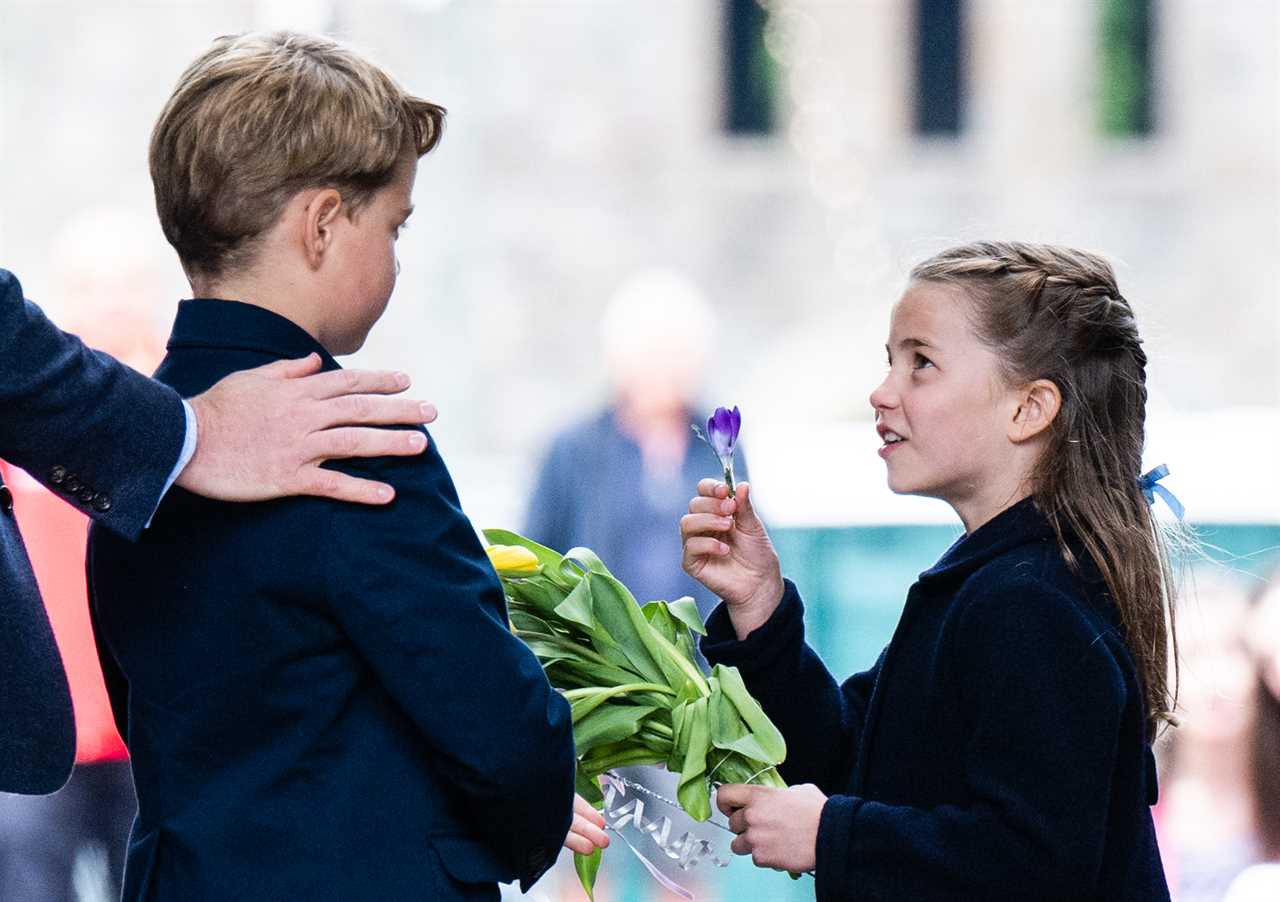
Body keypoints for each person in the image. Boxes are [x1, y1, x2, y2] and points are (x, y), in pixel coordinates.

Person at [86, 31, 575, 901]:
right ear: (321, 224)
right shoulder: (351, 441)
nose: (396, 257)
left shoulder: (140, 449)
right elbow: (501, 733)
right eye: (394, 225)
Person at [680, 241, 1175, 899]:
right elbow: (851, 757)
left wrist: (832, 835)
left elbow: (1036, 861)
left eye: (922, 364)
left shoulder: (1029, 603)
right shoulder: (987, 584)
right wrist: (759, 606)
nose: (881, 392)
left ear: (1029, 408)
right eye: (891, 361)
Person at [0, 259, 434, 797]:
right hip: (61, 706)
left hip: (137, 729)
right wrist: (189, 433)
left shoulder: (149, 390)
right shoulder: (108, 408)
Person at [525, 268, 739, 622]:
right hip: (601, 660)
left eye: (677, 352)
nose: (664, 368)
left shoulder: (720, 443)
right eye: (652, 352)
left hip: (702, 660)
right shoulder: (573, 449)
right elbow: (533, 560)